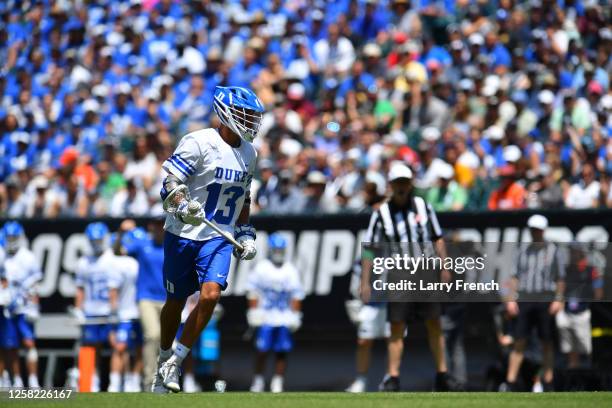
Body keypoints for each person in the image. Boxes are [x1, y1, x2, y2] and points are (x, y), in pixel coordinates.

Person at [155, 86, 262, 393]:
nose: (252, 121)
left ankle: (175, 361)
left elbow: (244, 197)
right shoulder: (199, 141)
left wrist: (244, 232)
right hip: (183, 232)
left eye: (254, 116)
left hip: (219, 236)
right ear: (226, 113)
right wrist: (181, 204)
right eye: (247, 114)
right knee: (175, 301)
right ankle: (162, 357)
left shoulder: (250, 152)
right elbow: (170, 182)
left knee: (211, 296)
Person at [361, 162, 460, 392]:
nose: (402, 187)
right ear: (391, 185)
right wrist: (365, 281)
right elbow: (369, 248)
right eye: (398, 183)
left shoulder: (423, 206)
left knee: (434, 322)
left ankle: (442, 374)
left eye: (405, 182)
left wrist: (445, 266)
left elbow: (437, 237)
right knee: (397, 326)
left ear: (411, 183)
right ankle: (393, 377)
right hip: (398, 272)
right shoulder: (382, 214)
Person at [500, 215, 565, 392]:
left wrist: (559, 299)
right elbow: (514, 276)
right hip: (525, 299)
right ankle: (510, 382)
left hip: (545, 299)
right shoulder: (522, 250)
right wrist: (511, 299)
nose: (534, 233)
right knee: (519, 340)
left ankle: (548, 381)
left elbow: (560, 277)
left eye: (537, 229)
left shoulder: (553, 250)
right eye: (532, 229)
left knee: (547, 341)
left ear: (543, 230)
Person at [246, 234, 303, 393]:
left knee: (282, 351)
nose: (278, 252)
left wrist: (296, 315)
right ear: (270, 250)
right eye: (276, 249)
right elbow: (253, 291)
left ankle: (277, 382)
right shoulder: (261, 267)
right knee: (262, 350)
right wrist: (253, 311)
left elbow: (296, 294)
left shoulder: (290, 269)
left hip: (284, 316)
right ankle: (258, 380)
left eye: (281, 249)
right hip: (266, 315)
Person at [119, 207, 167, 392]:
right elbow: (120, 250)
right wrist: (122, 233)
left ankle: (165, 380)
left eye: (161, 222)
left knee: (168, 341)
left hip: (167, 298)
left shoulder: (172, 244)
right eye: (155, 223)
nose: (158, 226)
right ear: (150, 226)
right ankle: (148, 381)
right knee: (152, 335)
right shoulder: (142, 243)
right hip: (146, 297)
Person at [72, 222, 116, 392]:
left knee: (117, 346)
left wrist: (114, 309)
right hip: (91, 310)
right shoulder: (84, 262)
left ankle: (116, 381)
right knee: (92, 348)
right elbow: (80, 288)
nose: (97, 244)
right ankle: (93, 380)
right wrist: (78, 309)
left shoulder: (112, 258)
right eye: (94, 240)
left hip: (108, 310)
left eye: (99, 240)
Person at [0, 221, 42, 388]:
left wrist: (34, 306)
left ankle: (33, 381)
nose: (11, 240)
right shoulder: (2, 255)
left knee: (29, 342)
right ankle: (16, 380)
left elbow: (35, 285)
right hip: (7, 307)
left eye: (14, 237)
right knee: (10, 345)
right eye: (8, 237)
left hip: (24, 306)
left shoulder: (28, 257)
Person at [556, 243, 603, 369]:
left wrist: (592, 304)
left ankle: (589, 370)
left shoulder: (590, 269)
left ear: (580, 252)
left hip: (583, 312)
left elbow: (598, 290)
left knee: (585, 346)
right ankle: (573, 371)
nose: (572, 254)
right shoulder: (566, 270)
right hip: (567, 312)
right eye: (570, 251)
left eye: (574, 251)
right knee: (570, 347)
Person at [107, 234, 142, 392]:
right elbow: (113, 290)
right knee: (121, 347)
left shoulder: (140, 260)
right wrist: (114, 313)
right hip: (126, 312)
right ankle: (115, 382)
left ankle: (133, 381)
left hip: (141, 311)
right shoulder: (121, 263)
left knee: (141, 347)